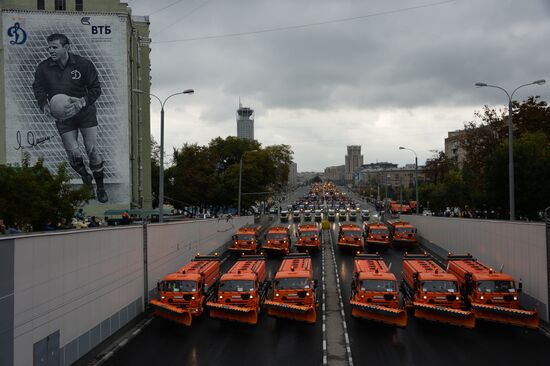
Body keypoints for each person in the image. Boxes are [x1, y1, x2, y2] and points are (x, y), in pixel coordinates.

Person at [32, 33, 108, 203]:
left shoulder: (83, 64)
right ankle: (85, 177)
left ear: (66, 48)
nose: (50, 50)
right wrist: (44, 104)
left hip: (84, 111)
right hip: (63, 115)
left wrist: (82, 101)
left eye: (54, 47)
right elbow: (38, 88)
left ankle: (101, 186)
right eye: (49, 47)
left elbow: (96, 89)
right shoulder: (43, 68)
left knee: (92, 149)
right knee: (73, 154)